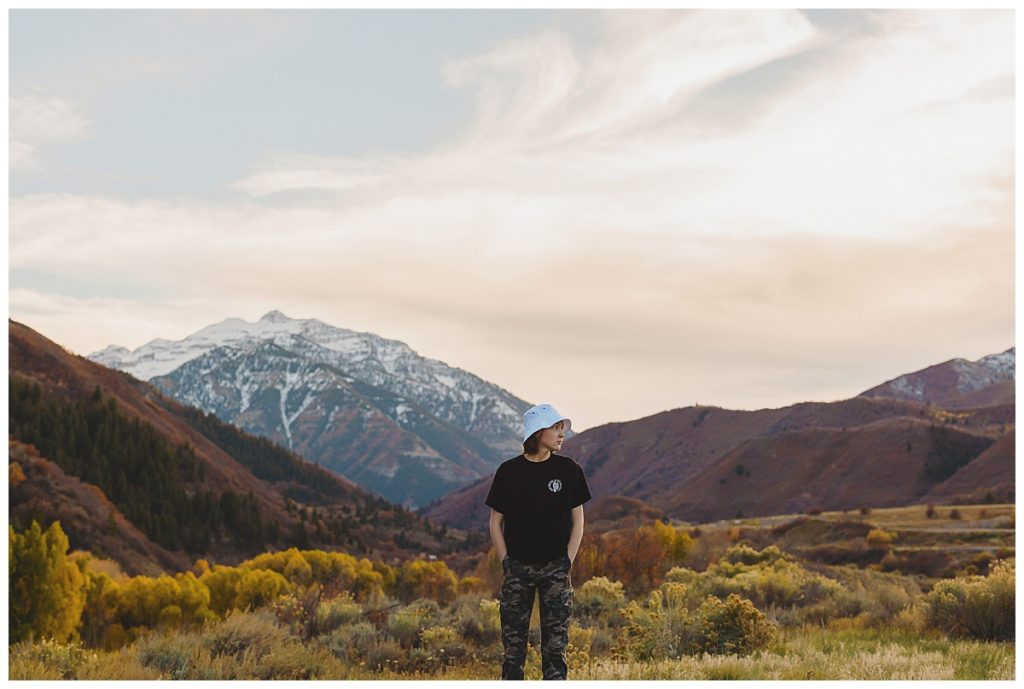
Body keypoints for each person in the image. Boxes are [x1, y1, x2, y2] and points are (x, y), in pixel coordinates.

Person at [485, 403, 592, 680]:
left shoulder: (569, 470)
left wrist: (567, 560)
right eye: (555, 428)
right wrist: (506, 561)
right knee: (512, 652)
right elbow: (495, 522)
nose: (561, 434)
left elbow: (578, 521)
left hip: (556, 569)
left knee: (556, 651)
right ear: (537, 432)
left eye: (562, 429)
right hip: (517, 570)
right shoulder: (508, 471)